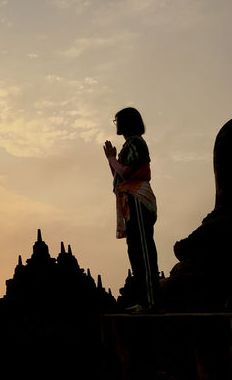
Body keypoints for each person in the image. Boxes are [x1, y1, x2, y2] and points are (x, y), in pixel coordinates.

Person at [103, 107, 158, 311]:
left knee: (143, 251)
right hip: (130, 200)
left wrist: (111, 158)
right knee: (135, 251)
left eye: (117, 121)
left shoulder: (136, 143)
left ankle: (152, 302)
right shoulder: (130, 145)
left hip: (138, 199)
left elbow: (125, 173)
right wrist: (113, 159)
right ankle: (144, 301)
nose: (116, 125)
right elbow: (119, 177)